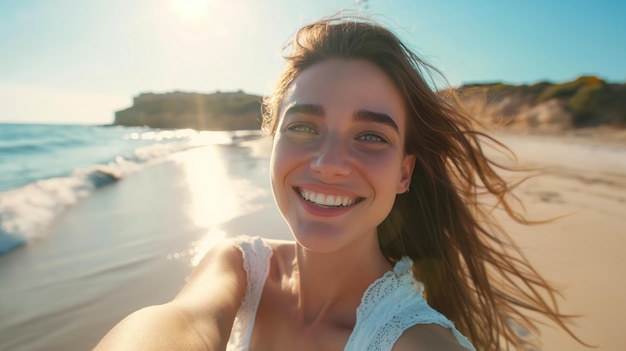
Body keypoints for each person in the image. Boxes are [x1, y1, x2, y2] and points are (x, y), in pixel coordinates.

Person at [95, 16, 589, 351]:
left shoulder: (414, 339)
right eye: (304, 127)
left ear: (403, 173)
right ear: (273, 143)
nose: (330, 163)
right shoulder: (239, 266)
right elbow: (177, 324)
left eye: (371, 136)